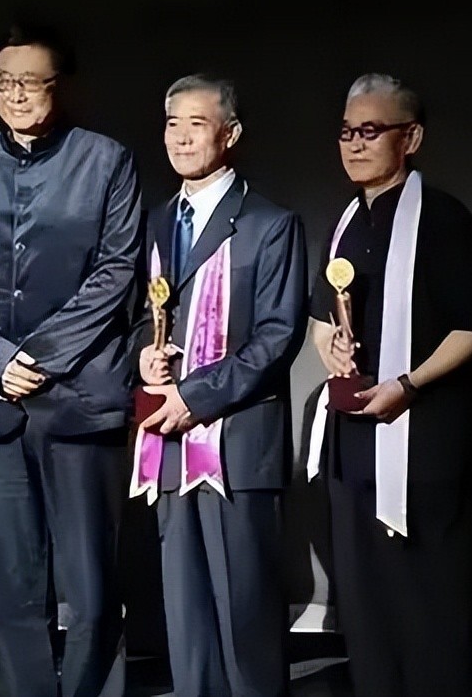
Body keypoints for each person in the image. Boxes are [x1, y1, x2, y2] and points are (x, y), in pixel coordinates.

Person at [0, 25, 140, 697]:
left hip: (80, 398)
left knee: (91, 585)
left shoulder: (106, 161)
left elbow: (117, 270)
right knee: (11, 583)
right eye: (5, 83)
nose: (16, 95)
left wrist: (40, 356)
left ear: (61, 85)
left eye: (30, 81)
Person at [306, 73, 472, 696]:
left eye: (370, 131)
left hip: (424, 445)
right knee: (366, 605)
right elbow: (321, 317)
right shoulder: (345, 222)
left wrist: (409, 383)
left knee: (427, 608)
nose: (354, 144)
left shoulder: (443, 219)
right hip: (355, 444)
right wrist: (330, 347)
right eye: (346, 132)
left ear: (411, 138)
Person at [132, 74, 307, 697]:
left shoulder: (269, 224)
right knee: (186, 617)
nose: (180, 138)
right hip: (170, 444)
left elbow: (277, 336)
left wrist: (194, 397)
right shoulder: (155, 222)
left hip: (236, 444)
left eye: (196, 124)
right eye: (171, 123)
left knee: (244, 612)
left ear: (229, 135)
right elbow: (140, 318)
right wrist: (144, 357)